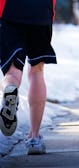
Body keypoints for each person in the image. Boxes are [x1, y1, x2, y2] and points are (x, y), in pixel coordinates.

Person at [0, 0, 57, 155]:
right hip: (41, 13)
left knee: (12, 71)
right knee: (36, 71)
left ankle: (9, 91)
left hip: (10, 11)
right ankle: (34, 138)